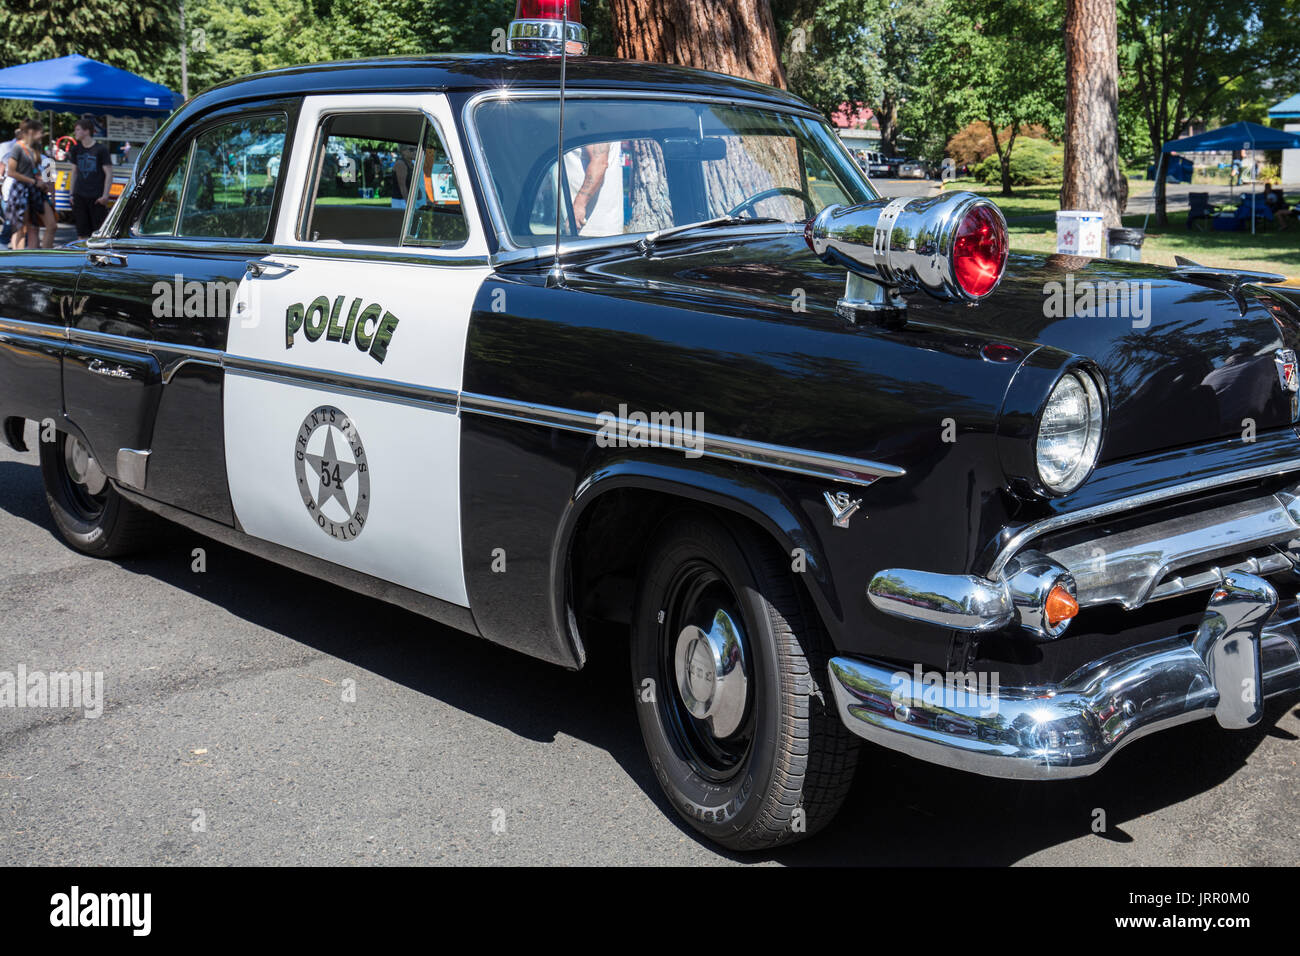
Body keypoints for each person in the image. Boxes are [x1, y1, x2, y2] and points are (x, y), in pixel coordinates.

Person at [5, 119, 55, 250]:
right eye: (40, 131)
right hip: (22, 190)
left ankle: (44, 258)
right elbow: (11, 172)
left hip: (37, 190)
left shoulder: (38, 149)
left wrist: (42, 182)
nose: (42, 134)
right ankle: (18, 262)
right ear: (31, 132)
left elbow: (40, 171)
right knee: (23, 229)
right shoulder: (18, 148)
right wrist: (33, 181)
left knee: (50, 226)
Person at [564, 140, 624, 236]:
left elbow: (600, 163)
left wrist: (578, 206)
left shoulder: (594, 124)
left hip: (590, 228)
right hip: (582, 227)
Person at [68, 116, 113, 239]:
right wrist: (71, 194)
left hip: (96, 196)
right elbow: (74, 172)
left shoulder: (101, 149)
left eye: (78, 130)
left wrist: (105, 195)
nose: (75, 133)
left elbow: (109, 173)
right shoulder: (76, 149)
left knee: (98, 233)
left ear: (87, 131)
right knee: (81, 232)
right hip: (80, 195)